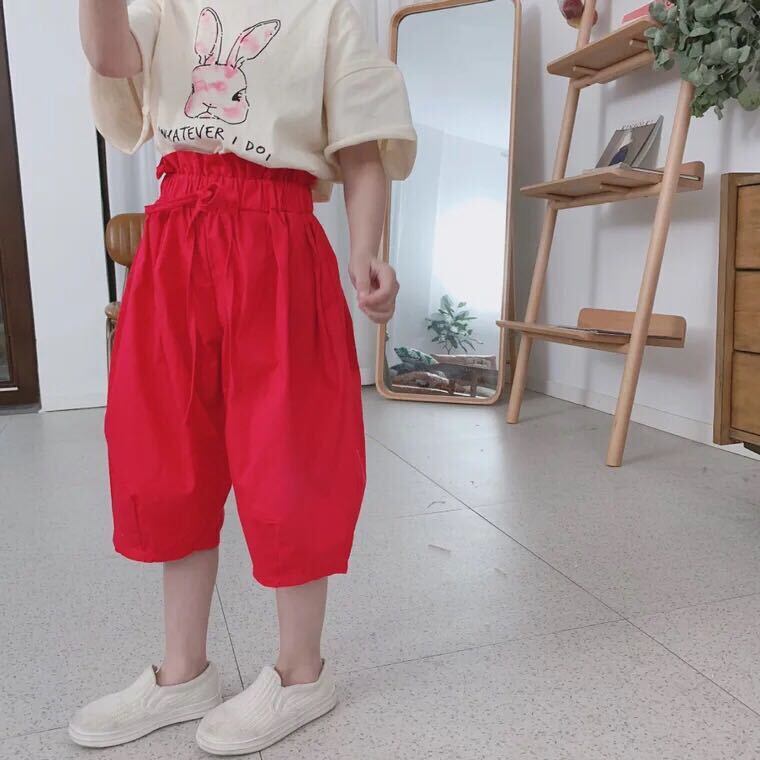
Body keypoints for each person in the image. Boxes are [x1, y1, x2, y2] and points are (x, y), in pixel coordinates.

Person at [70, 1, 416, 755]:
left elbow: (361, 145)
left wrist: (366, 252)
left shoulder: (329, 13)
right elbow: (110, 56)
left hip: (279, 243)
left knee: (290, 458)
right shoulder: (168, 5)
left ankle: (301, 673)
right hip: (177, 240)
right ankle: (182, 674)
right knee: (169, 457)